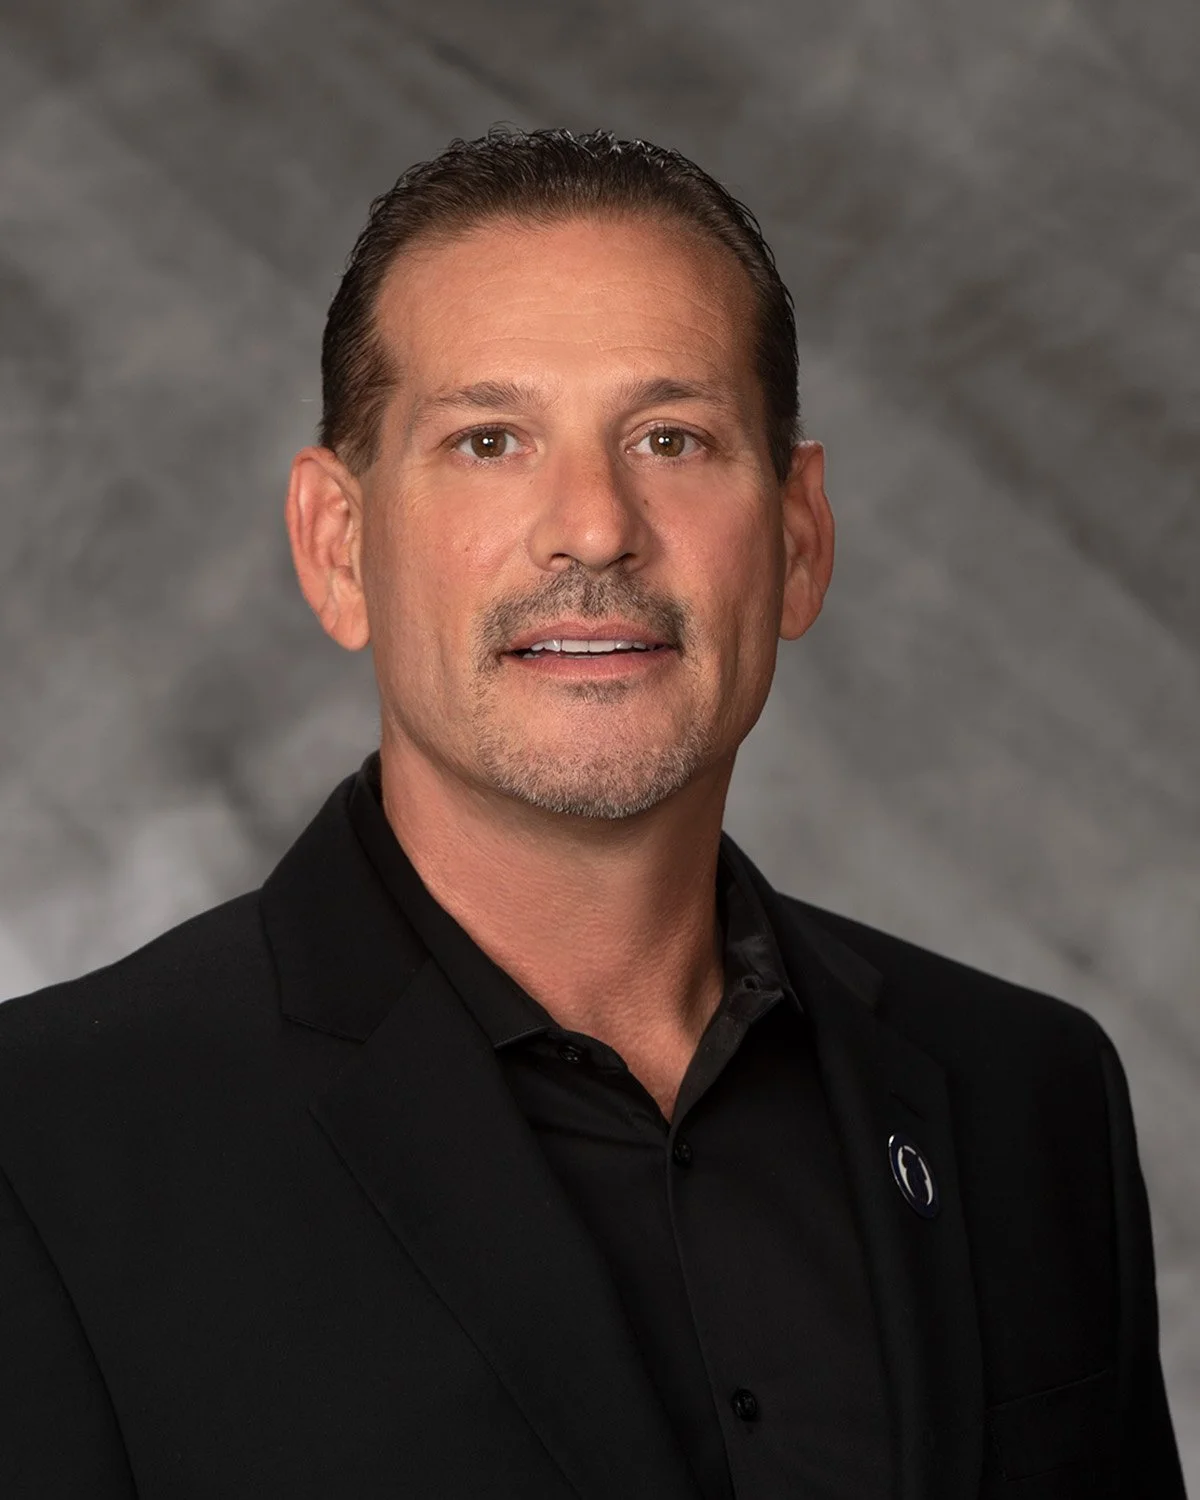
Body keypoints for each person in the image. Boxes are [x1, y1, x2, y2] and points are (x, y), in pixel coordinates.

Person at [0, 128, 1183, 1500]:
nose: (595, 526)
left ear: (799, 538)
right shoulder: (47, 1152)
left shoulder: (1028, 1098)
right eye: (489, 440)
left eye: (671, 438)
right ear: (339, 547)